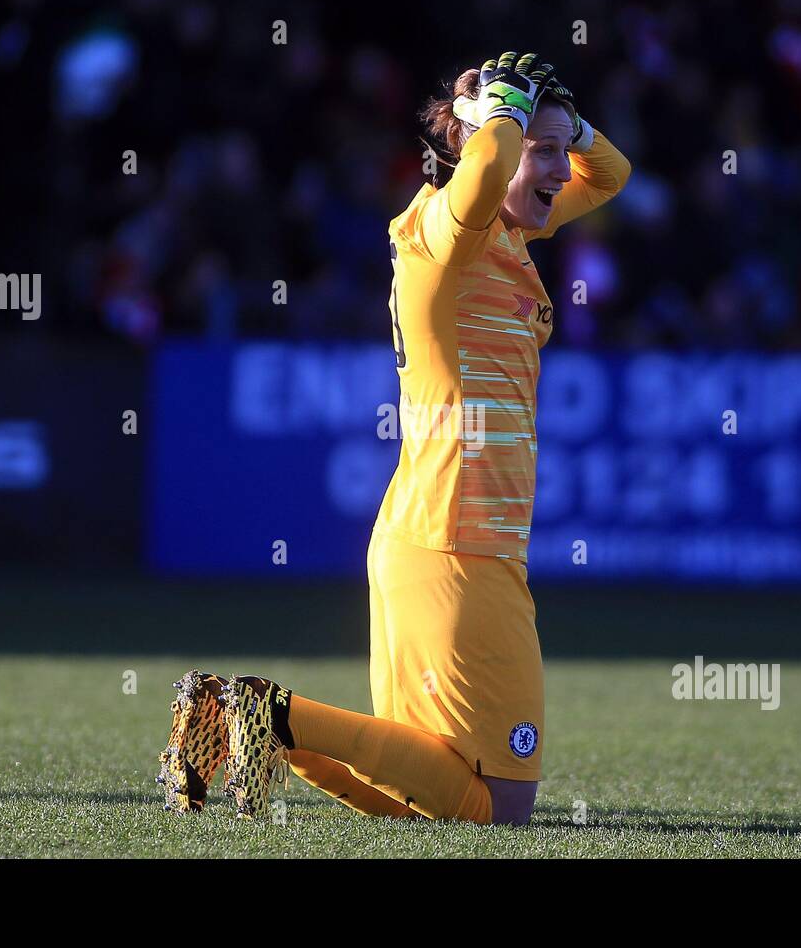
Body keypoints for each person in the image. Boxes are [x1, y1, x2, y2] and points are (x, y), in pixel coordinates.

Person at [220, 51, 630, 825]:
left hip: (442, 540)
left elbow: (609, 174)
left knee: (413, 799)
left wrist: (561, 122)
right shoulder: (443, 229)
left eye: (555, 147)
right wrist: (502, 114)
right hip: (458, 545)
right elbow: (480, 179)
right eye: (537, 149)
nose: (556, 166)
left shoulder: (500, 236)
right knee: (501, 806)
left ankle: (251, 720)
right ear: (484, 145)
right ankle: (270, 719)